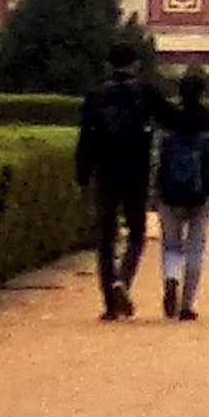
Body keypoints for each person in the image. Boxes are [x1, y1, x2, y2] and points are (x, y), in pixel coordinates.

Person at [73, 54, 159, 318]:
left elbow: (86, 137)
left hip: (106, 173)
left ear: (109, 65)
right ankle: (123, 278)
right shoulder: (145, 92)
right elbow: (172, 119)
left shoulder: (96, 95)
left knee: (106, 237)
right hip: (136, 172)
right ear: (134, 64)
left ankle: (110, 303)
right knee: (136, 232)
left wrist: (82, 174)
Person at [151, 66, 209, 319]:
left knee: (171, 246)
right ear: (202, 93)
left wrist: (154, 193)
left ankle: (171, 278)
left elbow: (157, 160)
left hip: (169, 192)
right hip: (200, 193)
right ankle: (186, 305)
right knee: (195, 248)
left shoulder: (167, 123)